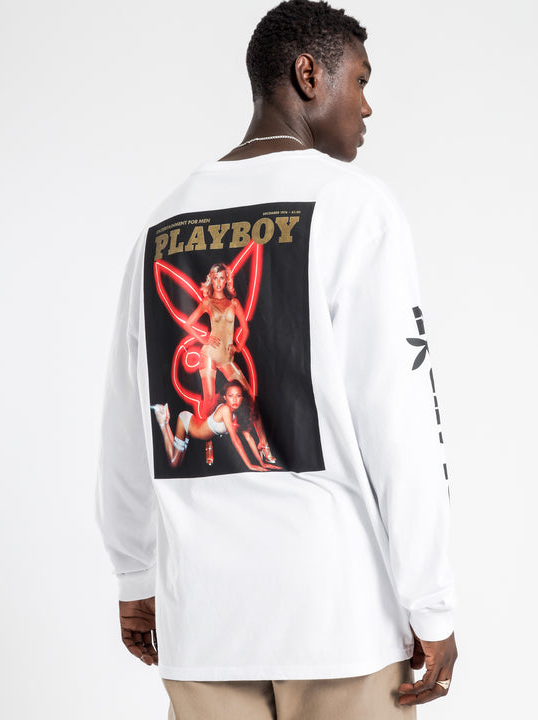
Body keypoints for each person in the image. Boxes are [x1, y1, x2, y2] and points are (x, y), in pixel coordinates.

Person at [95, 1, 458, 718]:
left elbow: (127, 420)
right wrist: (432, 604)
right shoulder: (355, 208)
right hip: (338, 624)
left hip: (203, 626)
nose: (367, 106)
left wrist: (134, 575)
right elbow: (402, 423)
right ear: (307, 75)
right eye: (360, 80)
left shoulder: (164, 223)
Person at [182, 261, 277, 465]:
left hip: (227, 358)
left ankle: (264, 445)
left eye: (222, 278)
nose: (218, 282)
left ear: (226, 280)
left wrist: (238, 346)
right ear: (212, 279)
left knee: (249, 397)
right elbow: (189, 323)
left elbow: (245, 328)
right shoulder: (207, 302)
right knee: (209, 400)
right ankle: (208, 443)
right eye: (215, 278)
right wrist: (204, 340)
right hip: (209, 355)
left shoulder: (233, 303)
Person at [151, 380, 279, 472]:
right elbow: (235, 439)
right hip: (186, 423)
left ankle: (164, 421)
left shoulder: (236, 414)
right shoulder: (225, 410)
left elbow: (249, 438)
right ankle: (163, 422)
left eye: (238, 396)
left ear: (242, 398)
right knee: (173, 463)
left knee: (177, 463)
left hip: (193, 426)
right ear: (225, 397)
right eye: (231, 396)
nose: (234, 400)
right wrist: (249, 465)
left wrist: (261, 463)